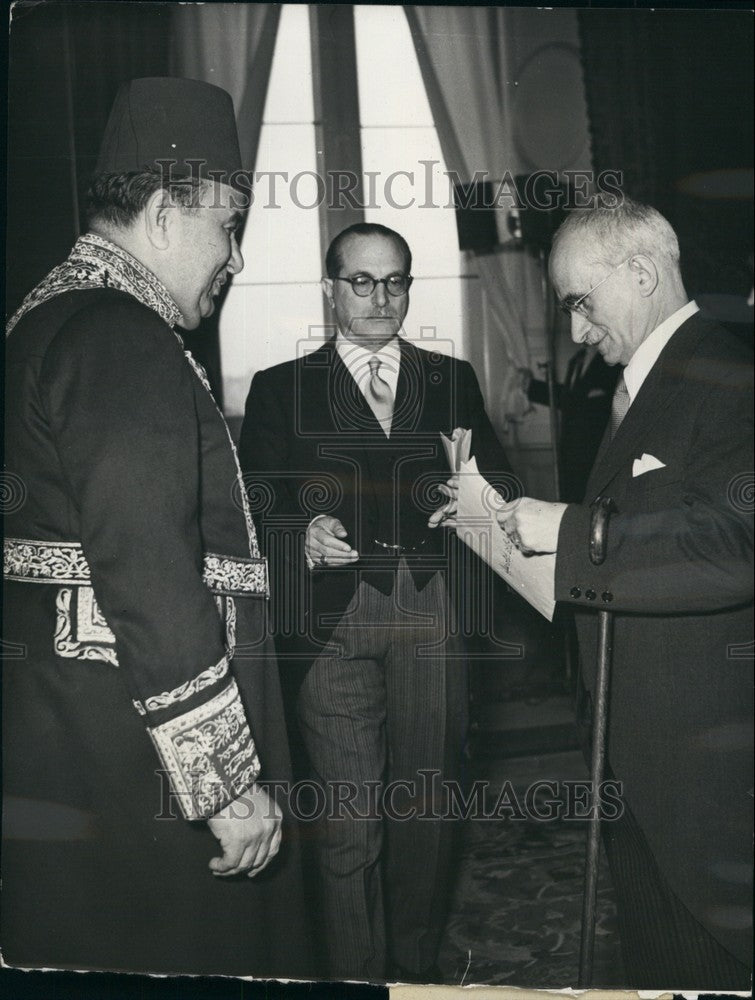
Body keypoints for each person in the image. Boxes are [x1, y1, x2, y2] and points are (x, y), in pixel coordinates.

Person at [2, 77, 311, 978]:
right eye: (230, 227)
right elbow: (150, 572)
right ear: (168, 216)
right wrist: (225, 785)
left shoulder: (43, 322)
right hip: (136, 760)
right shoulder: (121, 335)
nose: (236, 258)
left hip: (69, 732)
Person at [239, 222, 512, 982]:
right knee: (349, 823)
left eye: (394, 282)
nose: (379, 298)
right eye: (361, 281)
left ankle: (413, 976)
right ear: (330, 289)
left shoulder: (450, 377)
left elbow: (499, 485)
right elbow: (252, 501)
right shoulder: (280, 387)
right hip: (331, 621)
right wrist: (299, 533)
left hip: (432, 611)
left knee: (427, 814)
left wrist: (474, 501)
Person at [494, 196, 753, 987]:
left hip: (700, 768)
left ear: (640, 273)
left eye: (580, 302)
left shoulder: (728, 377)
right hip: (634, 753)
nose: (576, 332)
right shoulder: (649, 381)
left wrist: (567, 530)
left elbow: (734, 546)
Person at [520, 344, 620, 502]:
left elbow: (591, 402)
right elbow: (569, 397)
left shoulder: (610, 361)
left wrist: (535, 388)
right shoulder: (577, 359)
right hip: (569, 449)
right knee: (570, 499)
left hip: (592, 452)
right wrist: (532, 387)